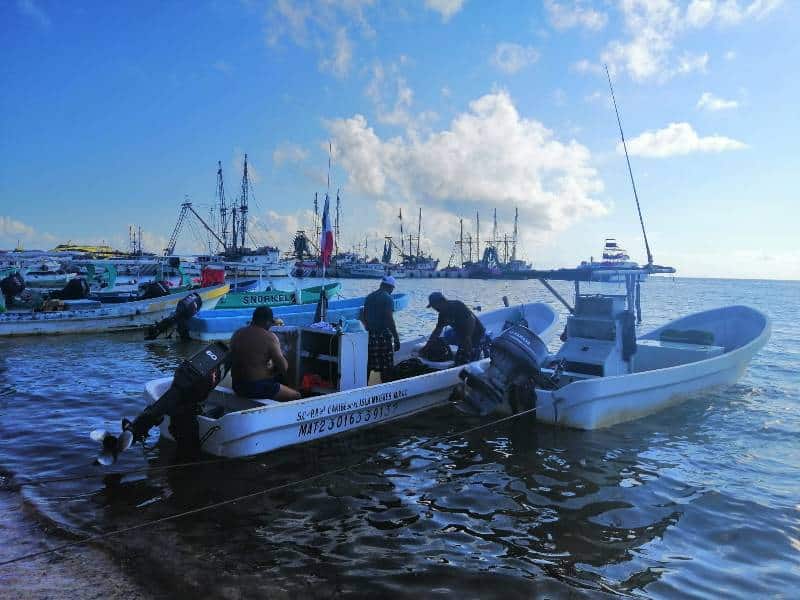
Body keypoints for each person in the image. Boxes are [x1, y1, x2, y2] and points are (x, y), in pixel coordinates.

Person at [229, 305, 300, 401]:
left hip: (237, 385)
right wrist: (289, 345)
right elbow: (284, 367)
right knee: (296, 395)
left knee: (276, 377)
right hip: (255, 387)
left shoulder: (237, 333)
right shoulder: (269, 337)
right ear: (267, 322)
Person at [424, 292, 486, 365]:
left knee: (468, 357)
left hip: (476, 333)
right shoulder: (442, 314)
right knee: (443, 339)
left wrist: (467, 338)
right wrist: (427, 346)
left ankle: (477, 351)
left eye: (434, 305)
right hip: (460, 334)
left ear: (441, 301)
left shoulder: (457, 305)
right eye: (433, 306)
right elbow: (437, 330)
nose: (434, 308)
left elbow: (471, 320)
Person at [362, 275, 400, 382]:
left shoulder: (369, 297)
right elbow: (389, 319)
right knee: (387, 365)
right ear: (390, 287)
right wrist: (396, 338)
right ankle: (386, 386)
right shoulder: (388, 298)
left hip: (370, 335)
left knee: (369, 363)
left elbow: (364, 316)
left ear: (381, 285)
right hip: (382, 336)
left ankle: (364, 385)